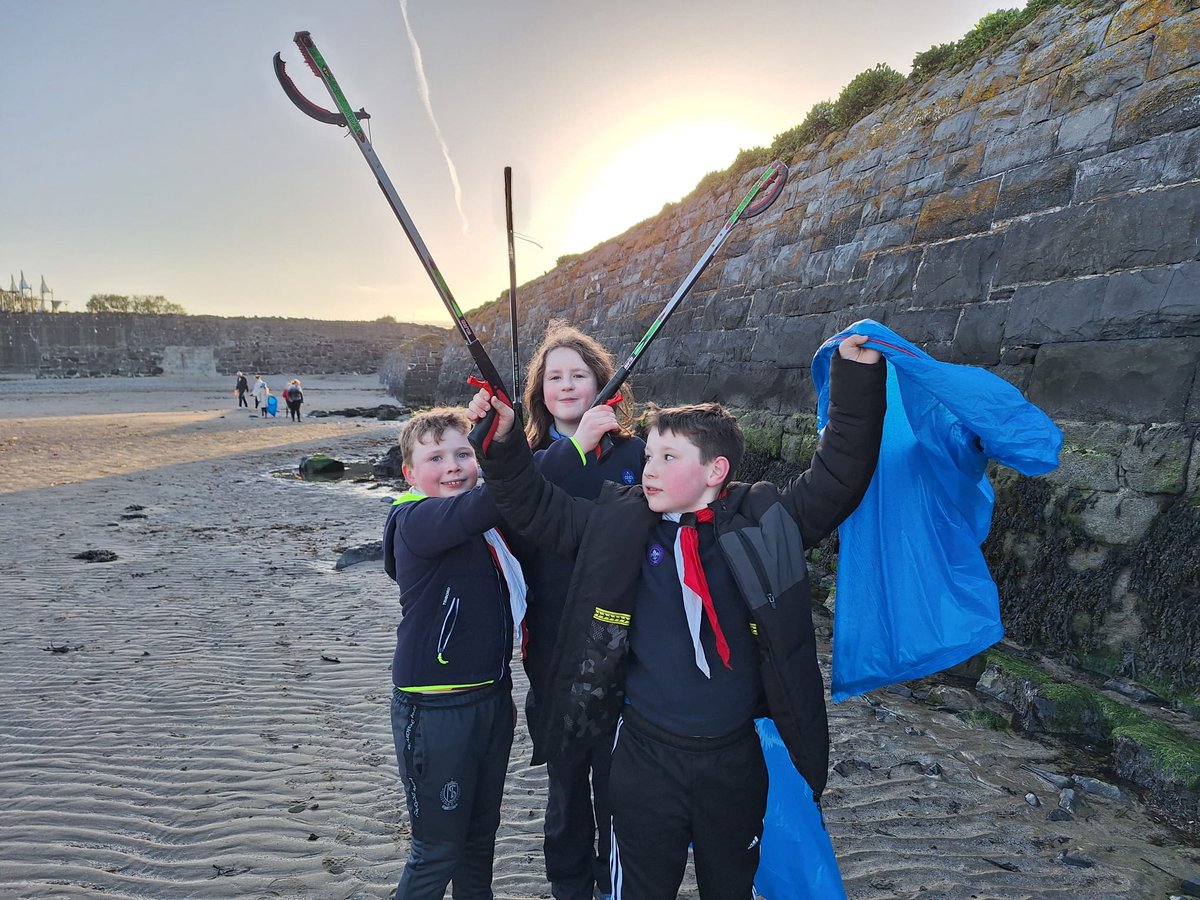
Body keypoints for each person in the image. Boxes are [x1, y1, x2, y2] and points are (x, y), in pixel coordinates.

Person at [467, 333, 885, 899]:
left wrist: (856, 380)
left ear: (716, 470)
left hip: (733, 762)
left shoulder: (761, 524)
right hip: (642, 761)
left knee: (730, 887)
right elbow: (534, 505)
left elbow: (838, 479)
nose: (650, 470)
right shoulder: (622, 524)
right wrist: (503, 442)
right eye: (648, 457)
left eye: (668, 458)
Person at [520, 323, 644, 900]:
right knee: (566, 789)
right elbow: (513, 501)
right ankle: (569, 886)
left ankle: (617, 883)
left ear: (602, 383)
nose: (567, 386)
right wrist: (571, 446)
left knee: (620, 786)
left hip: (629, 646)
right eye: (554, 377)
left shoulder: (637, 455)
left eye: (579, 375)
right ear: (539, 391)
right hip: (553, 646)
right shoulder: (528, 459)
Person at [381, 407, 523, 900]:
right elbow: (494, 499)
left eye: (464, 452)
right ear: (410, 473)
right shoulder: (414, 520)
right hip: (435, 709)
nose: (454, 465)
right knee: (437, 851)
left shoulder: (487, 534)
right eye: (435, 456)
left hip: (491, 700)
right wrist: (570, 446)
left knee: (479, 844)